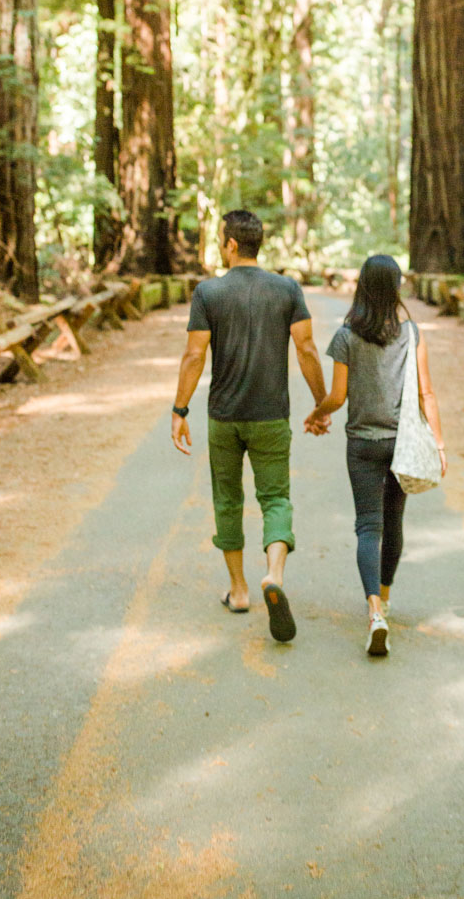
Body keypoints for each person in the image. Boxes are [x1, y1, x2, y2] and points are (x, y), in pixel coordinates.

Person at [171, 209, 329, 642]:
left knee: (227, 499)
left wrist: (179, 409)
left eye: (221, 240)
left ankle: (239, 591)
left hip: (224, 417)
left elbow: (193, 356)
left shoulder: (208, 293)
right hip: (270, 416)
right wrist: (322, 403)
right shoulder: (287, 289)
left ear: (232, 245)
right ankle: (273, 574)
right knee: (276, 497)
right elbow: (308, 348)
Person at [304, 254, 445, 657]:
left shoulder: (347, 336)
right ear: (397, 288)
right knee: (393, 523)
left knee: (368, 527)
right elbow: (426, 393)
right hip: (400, 444)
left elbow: (337, 396)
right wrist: (438, 443)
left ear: (361, 287)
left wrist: (317, 415)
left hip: (362, 445)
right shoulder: (412, 333)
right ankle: (384, 597)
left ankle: (373, 612)